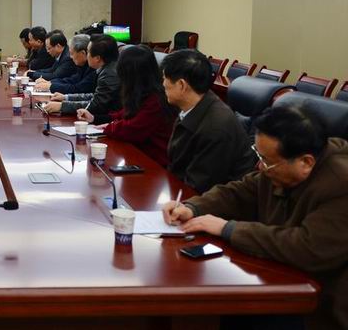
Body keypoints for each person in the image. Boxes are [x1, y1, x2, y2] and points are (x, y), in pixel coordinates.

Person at [162, 105, 348, 330]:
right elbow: (240, 192)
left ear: (306, 162)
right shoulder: (280, 166)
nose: (261, 166)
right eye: (259, 155)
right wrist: (193, 207)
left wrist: (228, 228)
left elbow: (308, 248)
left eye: (267, 160)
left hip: (322, 305)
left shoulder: (340, 183)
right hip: (281, 279)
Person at [160, 49, 255, 193]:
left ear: (181, 85)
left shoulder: (215, 127)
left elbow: (198, 187)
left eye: (165, 79)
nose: (163, 84)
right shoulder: (197, 105)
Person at [77, 45, 176, 166]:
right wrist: (95, 118)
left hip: (153, 162)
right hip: (136, 153)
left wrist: (108, 127)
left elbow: (133, 128)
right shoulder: (142, 91)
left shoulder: (156, 98)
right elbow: (126, 113)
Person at [44, 34, 120, 116]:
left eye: (88, 52)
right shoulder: (106, 69)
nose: (86, 55)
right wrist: (66, 97)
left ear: (97, 58)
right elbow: (94, 96)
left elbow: (96, 105)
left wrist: (62, 106)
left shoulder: (109, 75)